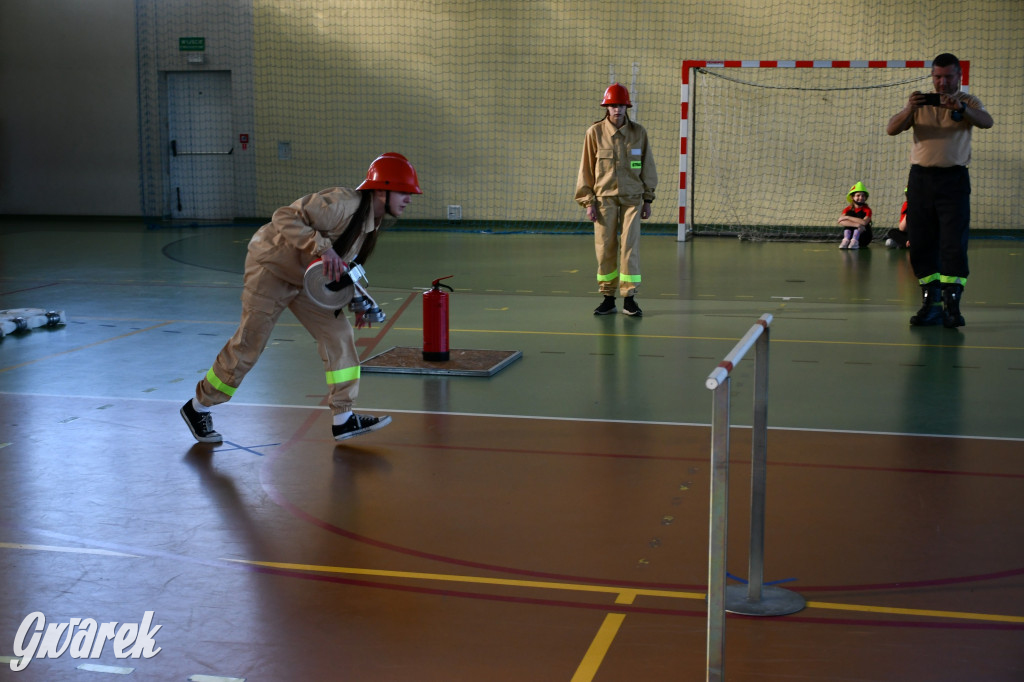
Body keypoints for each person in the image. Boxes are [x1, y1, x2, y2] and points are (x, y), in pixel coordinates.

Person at [180, 153, 422, 443]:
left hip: (306, 278)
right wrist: (322, 247)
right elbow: (284, 216)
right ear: (382, 189)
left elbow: (341, 265)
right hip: (271, 268)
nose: (408, 200)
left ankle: (343, 419)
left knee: (339, 335)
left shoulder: (371, 223)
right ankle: (198, 407)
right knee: (249, 345)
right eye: (404, 192)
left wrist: (354, 298)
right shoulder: (342, 205)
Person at [886, 53, 993, 327]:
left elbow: (986, 121)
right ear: (932, 77)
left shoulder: (968, 102)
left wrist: (962, 108)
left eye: (948, 76)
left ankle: (951, 306)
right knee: (920, 241)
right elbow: (891, 129)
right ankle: (930, 304)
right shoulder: (920, 103)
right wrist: (909, 109)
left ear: (959, 76)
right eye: (937, 77)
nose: (942, 82)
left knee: (953, 242)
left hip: (953, 180)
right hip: (921, 180)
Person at [575, 83, 658, 317]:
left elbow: (648, 167)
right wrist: (588, 201)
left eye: (621, 105)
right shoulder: (595, 133)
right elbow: (586, 169)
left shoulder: (638, 133)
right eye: (613, 105)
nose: (617, 109)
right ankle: (608, 298)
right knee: (605, 247)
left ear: (627, 107)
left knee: (630, 247)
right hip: (604, 200)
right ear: (606, 107)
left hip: (633, 199)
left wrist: (648, 199)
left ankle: (629, 298)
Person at [837, 181, 873, 249]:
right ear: (852, 197)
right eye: (858, 195)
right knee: (849, 214)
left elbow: (864, 222)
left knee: (851, 216)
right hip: (850, 237)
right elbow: (841, 221)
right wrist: (858, 225)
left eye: (863, 196)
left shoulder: (867, 210)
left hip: (864, 237)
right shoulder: (847, 209)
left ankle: (855, 241)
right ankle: (846, 240)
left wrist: (847, 217)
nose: (861, 197)